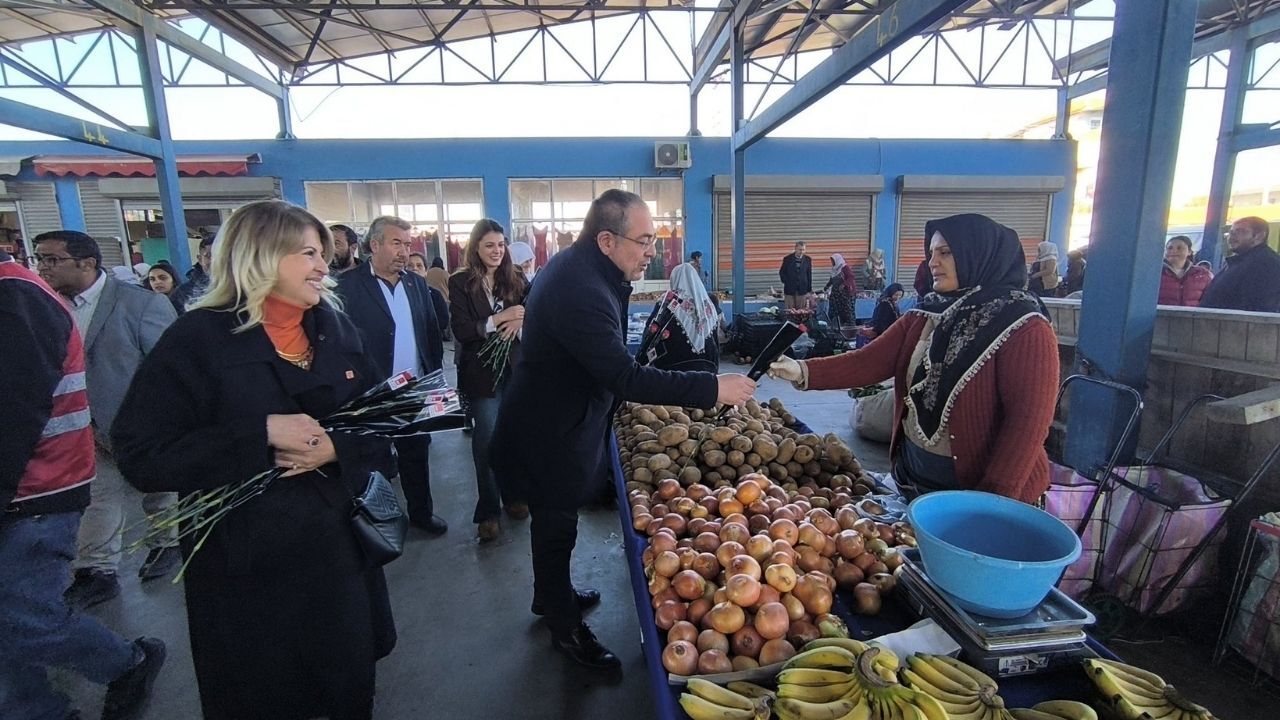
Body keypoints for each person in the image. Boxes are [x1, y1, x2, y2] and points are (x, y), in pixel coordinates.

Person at [110, 200, 396, 720]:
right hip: (244, 574)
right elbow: (141, 454)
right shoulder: (195, 341)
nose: (322, 267)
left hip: (337, 558)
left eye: (323, 254)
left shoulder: (336, 329)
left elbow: (383, 423)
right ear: (259, 255)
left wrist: (339, 446)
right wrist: (259, 434)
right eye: (307, 253)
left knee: (347, 688)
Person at [491, 189, 755, 671]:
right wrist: (711, 388)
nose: (652, 252)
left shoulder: (585, 268)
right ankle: (564, 628)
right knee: (555, 530)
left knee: (556, 527)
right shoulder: (581, 288)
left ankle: (549, 597)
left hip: (557, 420)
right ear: (607, 240)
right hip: (547, 434)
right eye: (645, 241)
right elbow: (625, 376)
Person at [769, 214, 1058, 504]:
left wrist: (992, 504)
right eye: (931, 253)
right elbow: (867, 362)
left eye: (945, 252)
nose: (932, 262)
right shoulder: (925, 315)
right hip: (915, 487)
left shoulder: (1023, 326)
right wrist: (800, 370)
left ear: (978, 254)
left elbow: (1027, 426)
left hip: (980, 499)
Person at [0, 248, 167, 720]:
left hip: (35, 488)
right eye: (44, 258)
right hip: (29, 485)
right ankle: (35, 707)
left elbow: (13, 413)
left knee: (22, 613)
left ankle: (124, 662)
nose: (48, 267)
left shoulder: (15, 296)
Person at [33, 230, 182, 605]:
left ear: (87, 263)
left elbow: (169, 368)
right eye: (40, 259)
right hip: (77, 423)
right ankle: (97, 570)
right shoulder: (44, 305)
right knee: (99, 497)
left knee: (158, 490)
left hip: (133, 419)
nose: (43, 268)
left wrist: (160, 420)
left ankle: (168, 542)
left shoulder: (141, 305)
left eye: (53, 260)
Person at [337, 216, 448, 536]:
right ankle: (376, 523)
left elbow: (429, 331)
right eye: (396, 243)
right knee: (371, 460)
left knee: (416, 454)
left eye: (408, 244)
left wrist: (433, 379)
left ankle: (421, 514)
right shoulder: (348, 286)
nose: (404, 251)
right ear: (375, 245)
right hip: (371, 391)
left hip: (413, 386)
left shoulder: (416, 284)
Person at [448, 219, 530, 542]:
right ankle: (488, 509)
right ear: (475, 248)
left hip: (515, 370)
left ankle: (513, 496)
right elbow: (464, 330)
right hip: (482, 374)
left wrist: (518, 323)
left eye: (500, 245)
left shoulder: (517, 278)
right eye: (488, 246)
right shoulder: (461, 283)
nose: (496, 251)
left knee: (514, 436)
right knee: (486, 441)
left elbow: (533, 312)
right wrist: (501, 319)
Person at [640, 262, 722, 372]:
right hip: (708, 368)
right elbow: (715, 340)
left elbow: (651, 331)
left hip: (676, 371)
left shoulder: (668, 302)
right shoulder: (708, 305)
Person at [1200, 216, 1280, 313]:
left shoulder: (1267, 263)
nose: (1232, 237)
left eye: (1240, 231)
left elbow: (1258, 307)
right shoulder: (1239, 261)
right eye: (1231, 232)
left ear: (1259, 236)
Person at [1158, 235, 1213, 307]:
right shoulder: (1156, 273)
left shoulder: (1202, 274)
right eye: (1170, 248)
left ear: (1189, 252)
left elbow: (1208, 299)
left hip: (1192, 317)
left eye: (1179, 248)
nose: (1173, 251)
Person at [171, 235, 213, 313]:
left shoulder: (238, 287)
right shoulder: (183, 293)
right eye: (209, 256)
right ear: (200, 259)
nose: (215, 260)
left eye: (220, 255)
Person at [823, 253, 858, 326]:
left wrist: (844, 284)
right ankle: (837, 326)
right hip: (837, 295)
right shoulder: (834, 270)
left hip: (845, 295)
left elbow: (851, 277)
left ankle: (850, 328)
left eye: (833, 260)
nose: (832, 262)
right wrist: (826, 287)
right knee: (835, 311)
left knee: (847, 312)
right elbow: (832, 280)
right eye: (832, 261)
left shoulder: (844, 268)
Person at [778, 241, 812, 309]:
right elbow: (782, 272)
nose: (801, 251)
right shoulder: (787, 259)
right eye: (800, 249)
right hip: (789, 290)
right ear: (795, 248)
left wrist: (809, 290)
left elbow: (809, 275)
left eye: (803, 250)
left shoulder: (808, 259)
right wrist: (787, 282)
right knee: (790, 311)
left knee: (801, 312)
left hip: (802, 290)